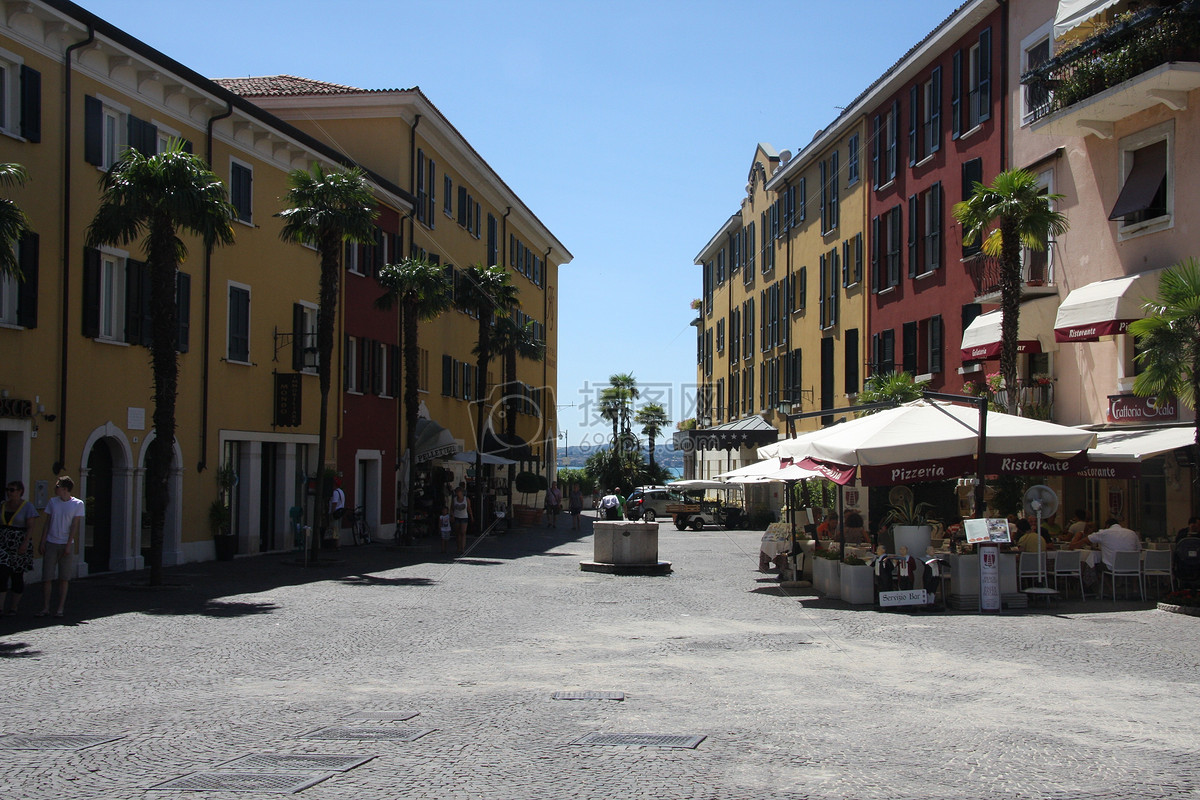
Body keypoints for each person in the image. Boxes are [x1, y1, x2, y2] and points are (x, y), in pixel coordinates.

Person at [38, 476, 85, 618]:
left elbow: (74, 525)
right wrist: (43, 541)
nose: (55, 488)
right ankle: (46, 607)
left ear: (65, 489)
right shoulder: (53, 502)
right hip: (52, 542)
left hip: (66, 543)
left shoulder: (77, 504)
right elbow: (47, 523)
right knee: (47, 577)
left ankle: (60, 608)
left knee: (64, 578)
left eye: (57, 486)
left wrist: (68, 544)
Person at [0, 480, 39, 615]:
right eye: (8, 490)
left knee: (17, 575)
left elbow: (30, 527)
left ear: (19, 491)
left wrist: (25, 543)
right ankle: (0, 607)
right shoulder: (3, 505)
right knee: (2, 573)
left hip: (19, 543)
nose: (9, 493)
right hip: (3, 544)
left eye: (12, 490)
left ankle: (14, 607)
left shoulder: (27, 507)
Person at [451, 486, 472, 555]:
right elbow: (452, 508)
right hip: (457, 516)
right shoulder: (454, 499)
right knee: (458, 533)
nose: (458, 494)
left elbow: (469, 508)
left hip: (464, 517)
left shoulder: (466, 499)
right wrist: (452, 516)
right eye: (457, 492)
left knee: (463, 532)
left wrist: (471, 516)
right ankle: (458, 547)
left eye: (459, 492)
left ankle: (462, 548)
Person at [326, 478, 345, 549]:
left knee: (334, 528)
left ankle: (335, 544)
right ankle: (338, 543)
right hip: (340, 512)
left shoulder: (335, 493)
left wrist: (332, 512)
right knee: (338, 528)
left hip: (335, 513)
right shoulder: (341, 492)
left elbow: (334, 503)